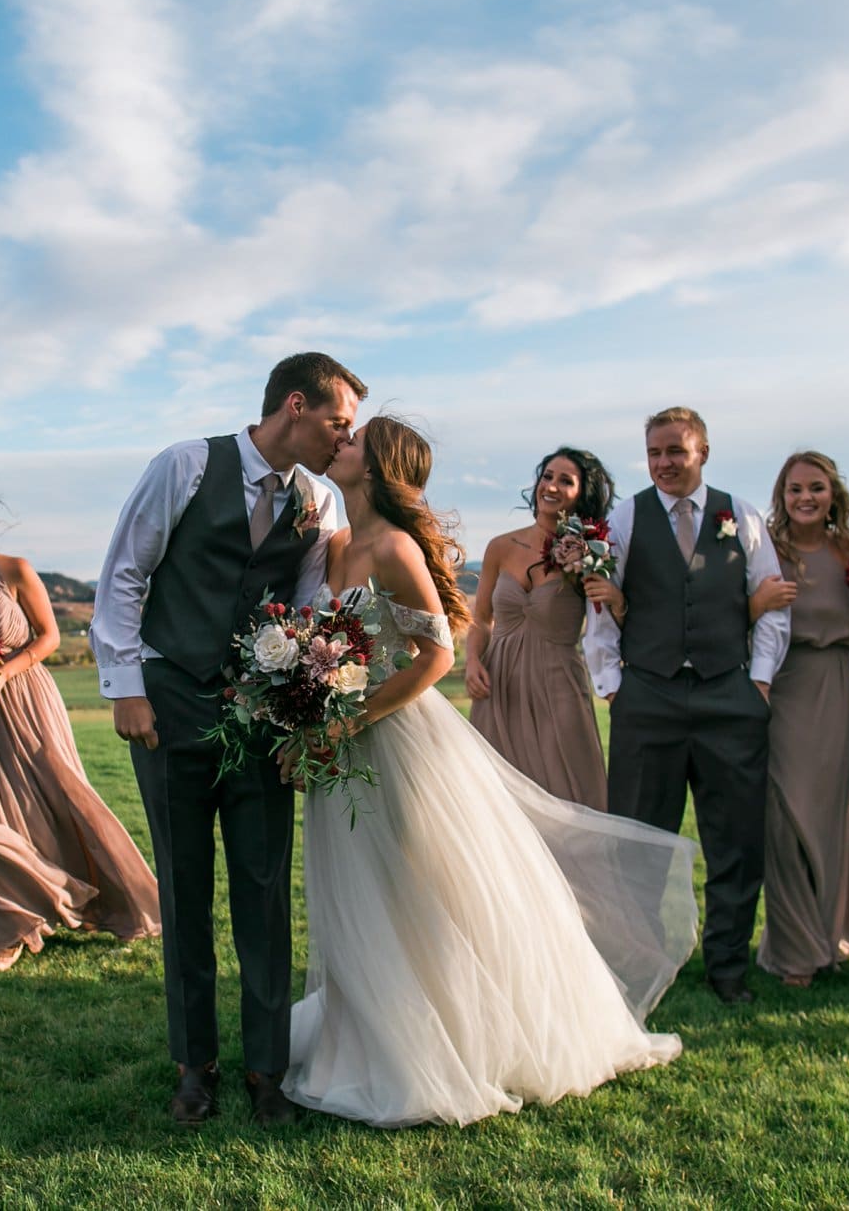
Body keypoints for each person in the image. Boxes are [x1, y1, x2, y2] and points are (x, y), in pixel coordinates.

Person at [284, 415, 699, 1128]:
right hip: (340, 744)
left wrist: (352, 719)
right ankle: (367, 1033)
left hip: (396, 740)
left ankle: (442, 1042)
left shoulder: (394, 548)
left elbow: (438, 656)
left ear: (379, 467)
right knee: (356, 891)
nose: (339, 445)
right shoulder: (339, 545)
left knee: (417, 894)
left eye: (354, 442)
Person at [92, 352, 361, 1128]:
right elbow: (124, 577)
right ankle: (194, 1067)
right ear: (297, 406)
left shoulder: (320, 499)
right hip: (169, 702)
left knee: (264, 889)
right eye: (339, 423)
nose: (345, 441)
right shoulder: (184, 465)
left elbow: (308, 608)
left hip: (260, 717)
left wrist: (304, 711)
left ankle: (267, 1070)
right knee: (182, 890)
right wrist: (127, 688)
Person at [585, 407, 788, 1005]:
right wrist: (614, 687)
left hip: (731, 696)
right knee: (640, 843)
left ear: (702, 451)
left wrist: (759, 683)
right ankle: (648, 968)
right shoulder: (627, 517)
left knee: (736, 841)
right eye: (654, 453)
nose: (664, 463)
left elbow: (772, 604)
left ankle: (729, 968)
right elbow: (600, 603)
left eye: (675, 451)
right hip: (648, 698)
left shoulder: (740, 515)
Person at [0, 490, 160, 971]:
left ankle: (121, 904)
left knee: (60, 804)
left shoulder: (17, 571)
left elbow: (48, 637)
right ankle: (9, 922)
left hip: (26, 702)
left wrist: (0, 672)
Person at [746, 452, 849, 987]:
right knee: (783, 820)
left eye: (816, 487)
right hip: (780, 689)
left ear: (833, 494)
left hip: (836, 690)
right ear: (781, 495)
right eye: (795, 489)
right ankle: (792, 948)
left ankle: (827, 936)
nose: (805, 497)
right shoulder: (765, 548)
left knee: (834, 818)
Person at [466, 447, 616, 807]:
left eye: (566, 481)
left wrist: (611, 592)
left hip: (559, 685)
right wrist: (472, 660)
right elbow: (481, 618)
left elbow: (611, 620)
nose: (551, 486)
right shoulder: (500, 547)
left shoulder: (593, 555)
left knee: (568, 795)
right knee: (499, 803)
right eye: (547, 476)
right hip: (499, 688)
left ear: (583, 493)